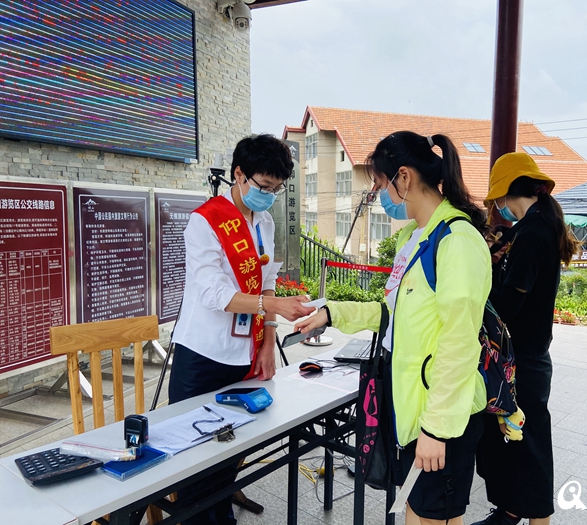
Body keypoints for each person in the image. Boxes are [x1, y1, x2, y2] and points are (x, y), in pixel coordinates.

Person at [296, 131, 491, 525]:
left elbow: (460, 342)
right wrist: (333, 312)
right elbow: (393, 311)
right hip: (407, 406)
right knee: (419, 514)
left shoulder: (457, 240)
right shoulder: (413, 236)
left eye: (380, 183)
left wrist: (435, 429)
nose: (378, 194)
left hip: (438, 415)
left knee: (431, 516)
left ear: (403, 177)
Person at [168, 134, 314, 525]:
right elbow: (216, 293)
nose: (269, 195)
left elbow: (267, 281)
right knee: (195, 462)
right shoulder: (204, 221)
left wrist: (267, 343)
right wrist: (274, 306)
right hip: (202, 356)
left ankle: (222, 517)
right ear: (239, 175)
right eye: (264, 187)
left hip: (245, 355)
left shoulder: (264, 220)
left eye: (276, 189)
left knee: (230, 453)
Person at [473, 153, 579, 525]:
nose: (496, 208)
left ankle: (537, 518)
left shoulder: (534, 232)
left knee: (528, 439)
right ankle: (510, 509)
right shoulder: (531, 225)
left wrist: (474, 296)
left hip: (524, 360)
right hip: (520, 354)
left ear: (505, 191)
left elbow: (510, 304)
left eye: (496, 199)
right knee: (509, 437)